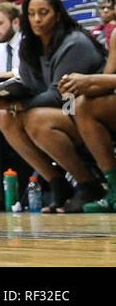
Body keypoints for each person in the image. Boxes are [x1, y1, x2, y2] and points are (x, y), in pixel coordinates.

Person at [0, 0, 106, 212]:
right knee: (6, 118)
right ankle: (56, 182)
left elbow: (60, 95)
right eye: (31, 14)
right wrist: (8, 98)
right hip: (62, 110)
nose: (37, 19)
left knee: (36, 119)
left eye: (43, 13)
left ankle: (88, 184)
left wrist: (19, 104)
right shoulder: (29, 46)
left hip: (87, 111)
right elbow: (31, 88)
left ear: (58, 15)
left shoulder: (75, 43)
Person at [59, 71, 116, 212]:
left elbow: (49, 97)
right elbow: (66, 105)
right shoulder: (31, 60)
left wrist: (18, 105)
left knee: (37, 120)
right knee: (9, 118)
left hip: (64, 109)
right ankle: (106, 188)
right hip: (69, 110)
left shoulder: (75, 49)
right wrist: (67, 94)